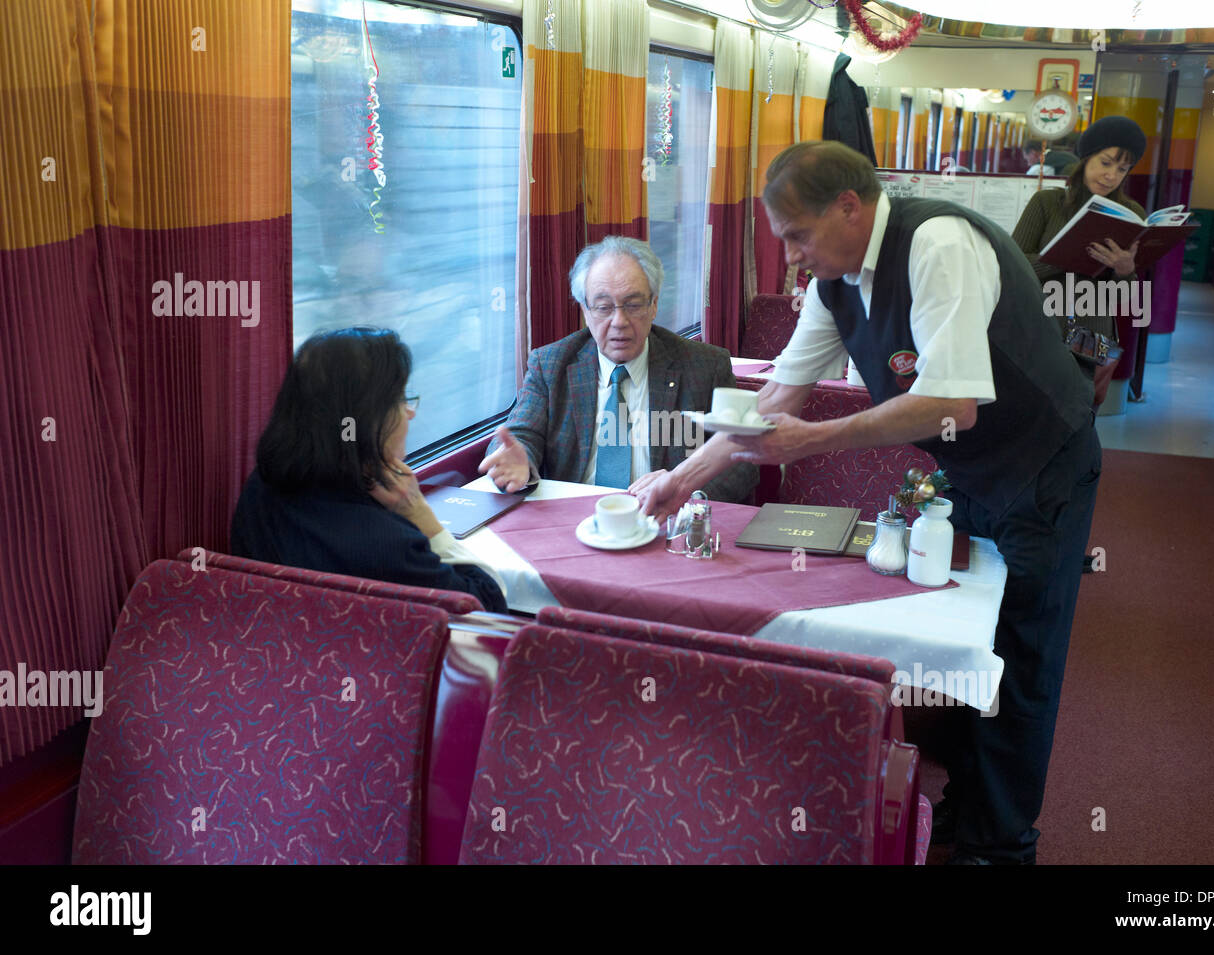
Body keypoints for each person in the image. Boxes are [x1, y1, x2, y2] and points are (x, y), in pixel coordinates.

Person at [637, 140, 1100, 865]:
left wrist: (812, 441)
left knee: (1019, 655)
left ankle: (1003, 843)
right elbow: (777, 397)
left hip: (1042, 464)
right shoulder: (837, 279)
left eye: (798, 235)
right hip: (965, 473)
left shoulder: (938, 244)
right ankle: (963, 808)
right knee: (957, 642)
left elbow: (952, 403)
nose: (790, 256)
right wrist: (683, 478)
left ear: (850, 207)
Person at [230, 327, 507, 612]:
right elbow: (488, 605)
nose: (410, 412)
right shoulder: (389, 545)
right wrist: (427, 523)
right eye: (400, 400)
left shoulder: (259, 490)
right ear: (368, 420)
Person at [478, 236, 757, 503]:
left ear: (654, 305)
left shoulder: (704, 366)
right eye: (603, 307)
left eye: (633, 305)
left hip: (666, 519)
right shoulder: (551, 365)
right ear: (585, 310)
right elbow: (520, 435)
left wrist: (684, 485)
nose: (619, 321)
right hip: (575, 523)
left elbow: (741, 461)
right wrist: (519, 460)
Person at [1013, 115, 1148, 407]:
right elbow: (1013, 267)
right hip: (1039, 328)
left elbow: (1125, 297)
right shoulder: (1047, 203)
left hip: (1093, 334)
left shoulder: (1131, 212)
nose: (1111, 175)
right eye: (1106, 162)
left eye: (1122, 169)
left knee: (1080, 417)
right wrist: (1065, 257)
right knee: (1032, 414)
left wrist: (1126, 271)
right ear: (1086, 158)